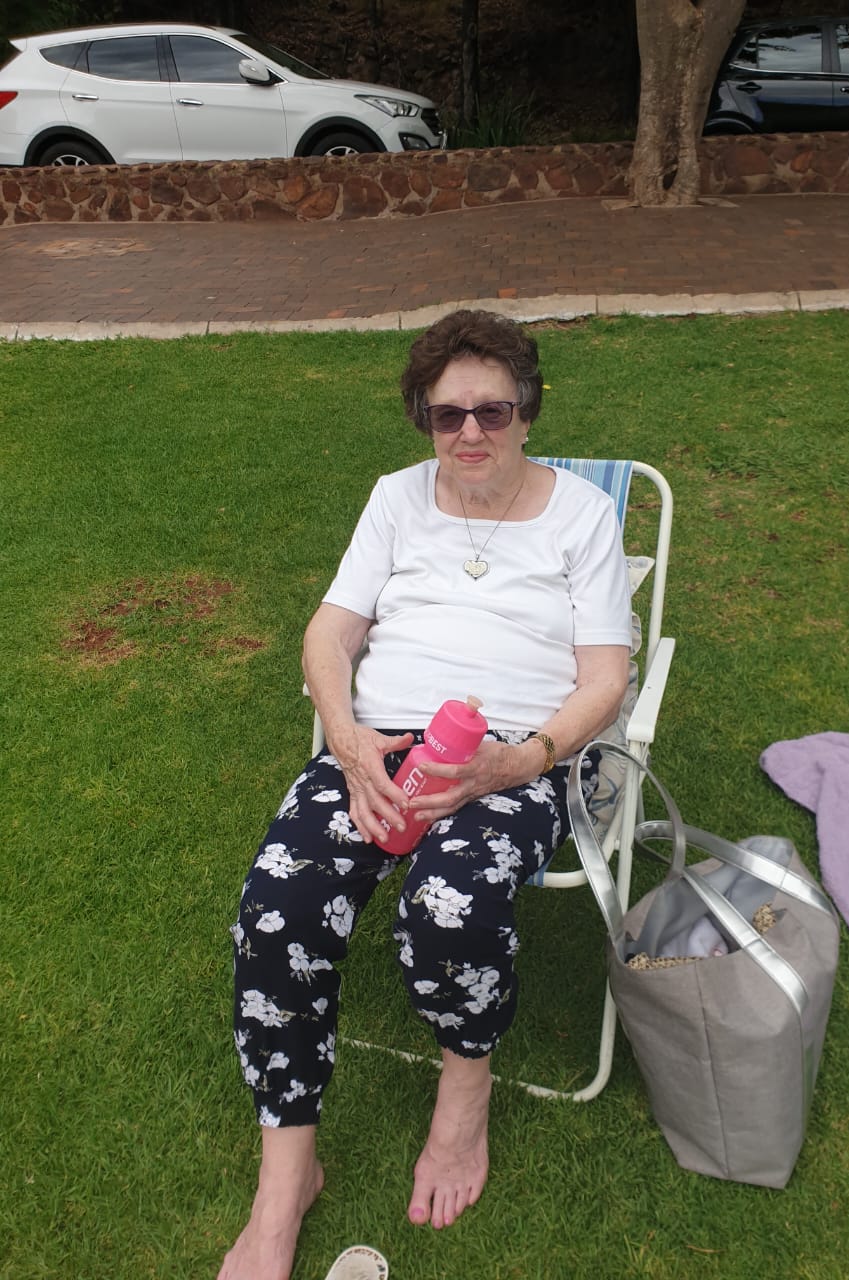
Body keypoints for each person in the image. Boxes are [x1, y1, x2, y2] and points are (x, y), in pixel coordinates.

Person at [219, 308, 632, 1280]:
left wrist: (519, 762)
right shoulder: (396, 499)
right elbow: (329, 633)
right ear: (424, 419)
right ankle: (286, 1179)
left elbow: (606, 678)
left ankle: (463, 1098)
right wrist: (348, 737)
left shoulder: (582, 516)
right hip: (378, 745)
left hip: (512, 756)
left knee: (449, 905)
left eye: (493, 410)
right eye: (448, 416)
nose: (471, 433)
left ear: (528, 410)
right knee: (279, 910)